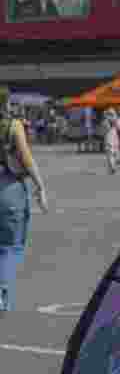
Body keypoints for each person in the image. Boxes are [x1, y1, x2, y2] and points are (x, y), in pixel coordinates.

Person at [0, 86, 49, 314]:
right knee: (10, 247)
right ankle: (1, 294)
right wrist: (40, 186)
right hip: (8, 188)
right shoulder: (12, 126)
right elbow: (26, 159)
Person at [101, 108, 120, 174]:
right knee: (111, 154)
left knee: (114, 154)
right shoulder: (107, 121)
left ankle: (112, 167)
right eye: (110, 114)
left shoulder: (115, 120)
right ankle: (112, 167)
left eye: (112, 114)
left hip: (113, 138)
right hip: (111, 138)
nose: (111, 115)